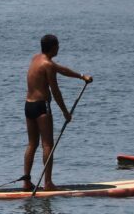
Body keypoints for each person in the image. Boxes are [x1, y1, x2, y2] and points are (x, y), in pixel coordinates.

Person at [23, 34, 94, 191]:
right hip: (42, 107)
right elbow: (55, 92)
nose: (59, 48)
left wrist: (81, 76)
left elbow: (60, 69)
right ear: (53, 47)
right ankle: (48, 183)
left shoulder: (36, 59)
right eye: (58, 45)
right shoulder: (48, 65)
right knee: (47, 144)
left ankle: (26, 182)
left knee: (32, 144)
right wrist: (65, 112)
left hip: (28, 106)